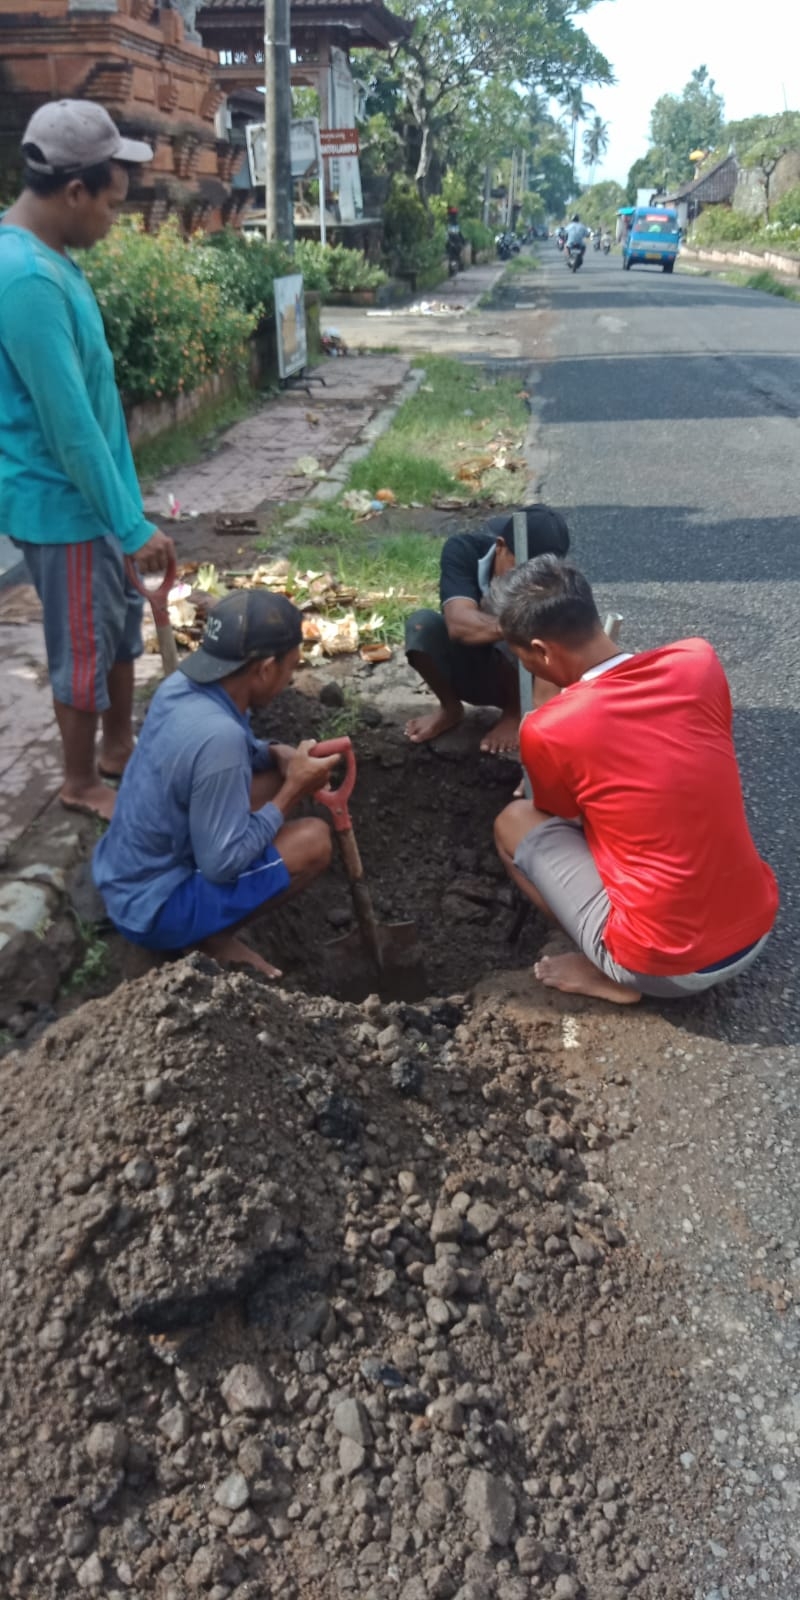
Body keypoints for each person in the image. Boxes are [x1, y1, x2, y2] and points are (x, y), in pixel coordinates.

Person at [492, 556, 778, 1005]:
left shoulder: (550, 728)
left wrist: (547, 724)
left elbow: (560, 815)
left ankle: (609, 969)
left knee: (512, 822)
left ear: (542, 652)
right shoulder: (697, 661)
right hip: (756, 925)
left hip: (667, 967)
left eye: (522, 657)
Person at [0, 100, 175, 823]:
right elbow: (69, 427)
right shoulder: (26, 280)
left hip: (96, 499)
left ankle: (119, 747)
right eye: (111, 203)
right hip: (63, 502)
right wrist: (129, 526)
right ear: (73, 192)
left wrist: (128, 513)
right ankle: (78, 780)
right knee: (82, 642)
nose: (114, 218)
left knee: (117, 626)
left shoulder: (52, 261)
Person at [93, 590, 339, 980]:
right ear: (265, 668)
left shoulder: (183, 688)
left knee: (274, 776)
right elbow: (222, 865)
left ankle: (205, 926)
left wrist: (277, 754)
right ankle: (208, 936)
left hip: (124, 874)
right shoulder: (218, 739)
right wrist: (291, 791)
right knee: (313, 840)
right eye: (290, 668)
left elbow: (233, 754)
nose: (289, 679)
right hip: (153, 909)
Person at [404, 504, 570, 753]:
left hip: (526, 679)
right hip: (469, 666)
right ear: (501, 547)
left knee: (520, 633)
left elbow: (554, 673)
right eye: (521, 572)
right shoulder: (463, 550)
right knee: (421, 626)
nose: (528, 586)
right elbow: (459, 624)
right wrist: (516, 622)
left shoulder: (559, 583)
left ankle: (514, 712)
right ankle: (450, 708)